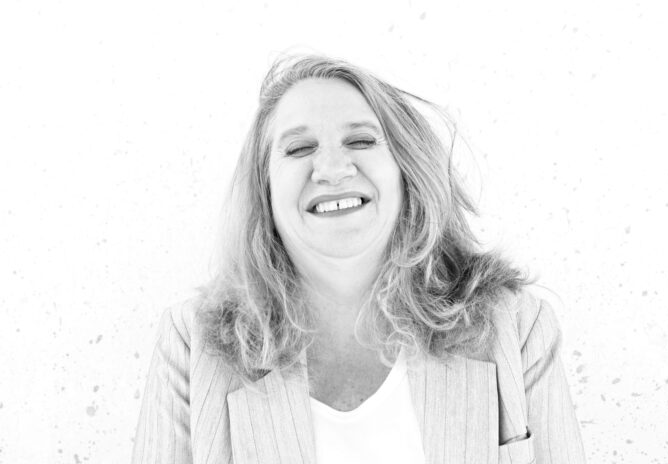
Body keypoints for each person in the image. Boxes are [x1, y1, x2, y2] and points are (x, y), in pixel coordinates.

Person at [131, 54, 586, 464]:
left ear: (407, 168)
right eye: (299, 148)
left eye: (362, 141)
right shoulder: (190, 344)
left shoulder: (516, 327)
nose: (332, 169)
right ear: (265, 190)